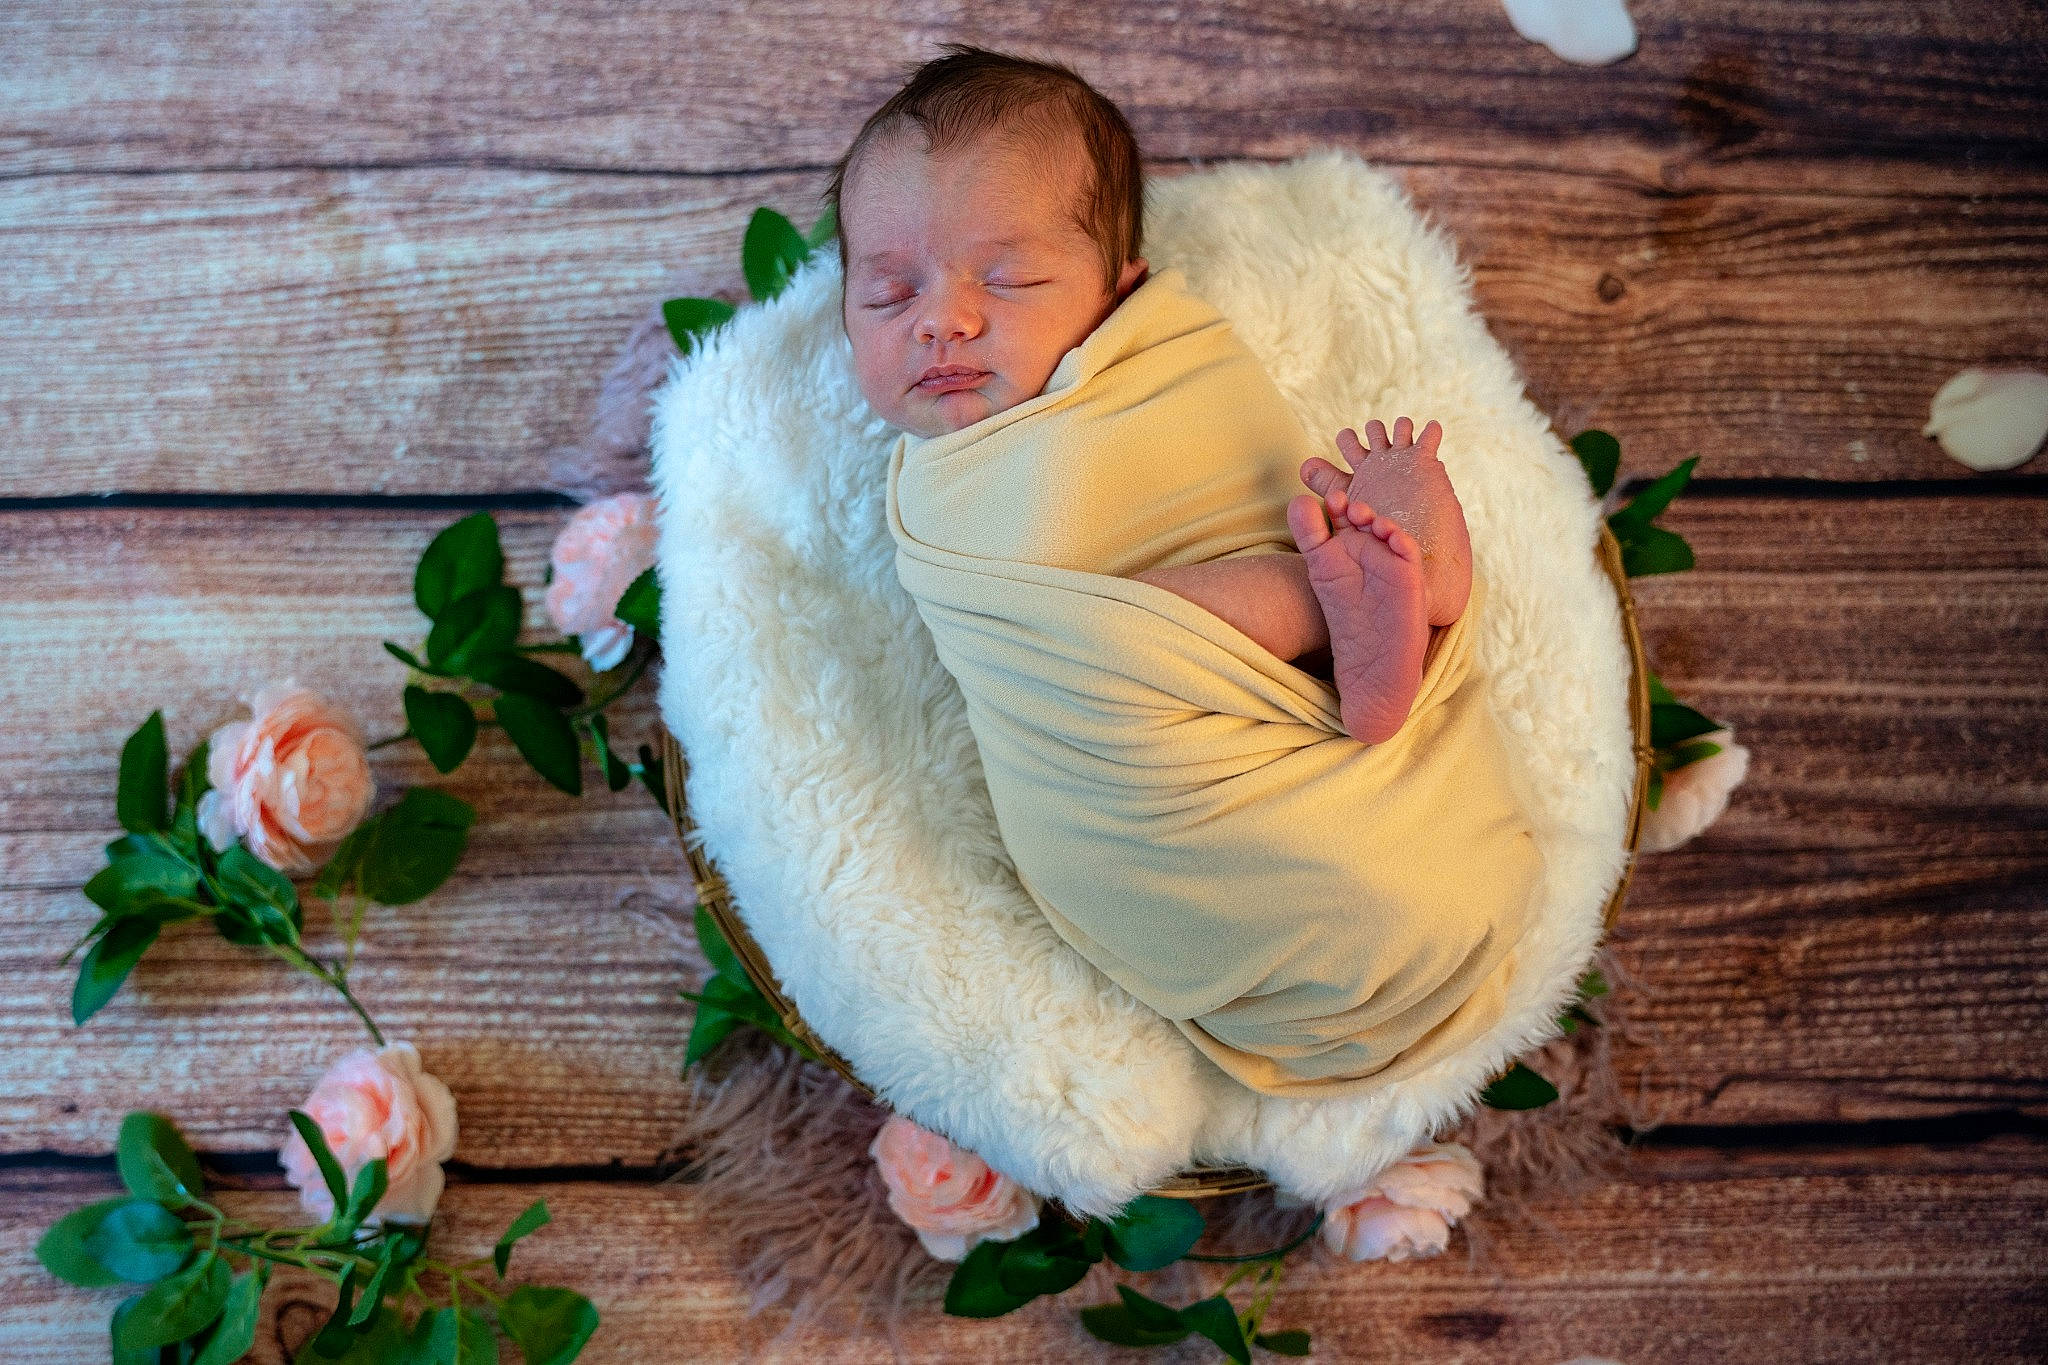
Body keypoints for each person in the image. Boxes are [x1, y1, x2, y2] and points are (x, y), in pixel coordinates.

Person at [826, 44, 1543, 1100]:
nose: (943, 319)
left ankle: (1339, 598)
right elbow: (1032, 669)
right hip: (1198, 804)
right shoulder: (936, 489)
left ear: (1122, 295)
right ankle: (1366, 601)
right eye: (888, 295)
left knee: (1130, 626)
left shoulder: (1169, 365)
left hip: (1224, 656)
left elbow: (1220, 466)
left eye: (1008, 279)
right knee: (1107, 640)